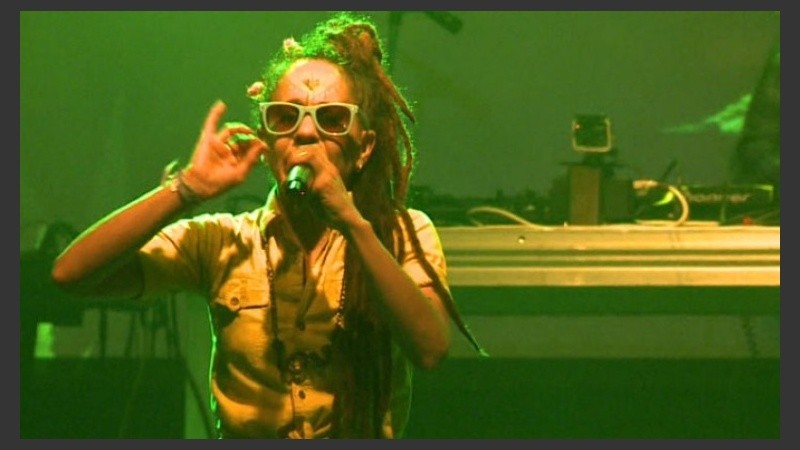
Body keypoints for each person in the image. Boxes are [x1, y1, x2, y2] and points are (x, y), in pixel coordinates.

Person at [51, 12, 486, 438]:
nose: (306, 134)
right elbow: (72, 274)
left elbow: (430, 349)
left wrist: (353, 224)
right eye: (285, 117)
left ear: (364, 147)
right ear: (266, 135)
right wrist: (186, 188)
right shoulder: (225, 241)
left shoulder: (402, 232)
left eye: (332, 119)